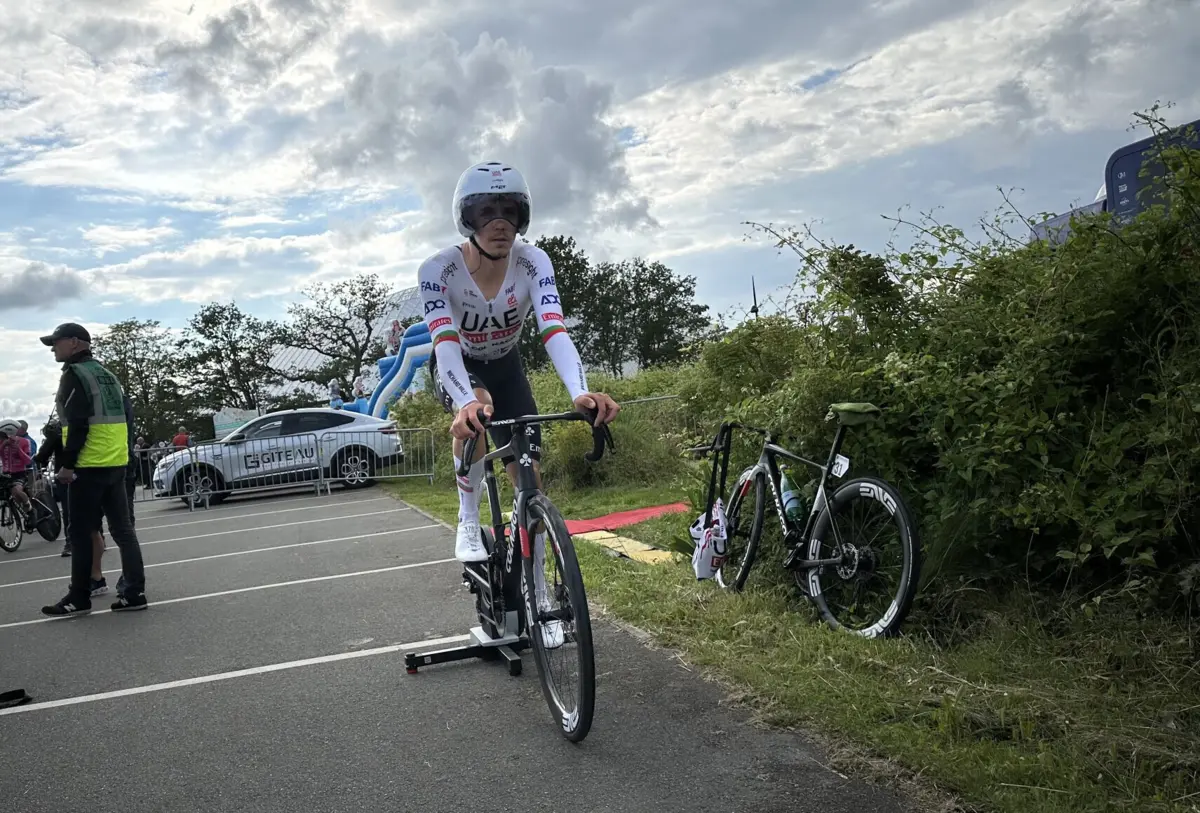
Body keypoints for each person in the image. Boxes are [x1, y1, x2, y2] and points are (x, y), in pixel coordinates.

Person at [417, 160, 620, 567]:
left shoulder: (534, 262)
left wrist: (580, 392)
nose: (499, 223)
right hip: (460, 366)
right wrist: (464, 403)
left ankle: (538, 580)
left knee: (530, 479)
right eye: (485, 212)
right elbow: (445, 343)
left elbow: (555, 330)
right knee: (477, 406)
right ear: (466, 218)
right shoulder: (437, 270)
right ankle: (469, 518)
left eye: (509, 212)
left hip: (508, 366)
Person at [38, 322, 148, 617]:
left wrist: (67, 464)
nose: (53, 348)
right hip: (116, 462)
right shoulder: (107, 374)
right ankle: (134, 592)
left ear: (75, 343)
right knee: (124, 531)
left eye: (56, 342)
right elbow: (126, 418)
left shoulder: (75, 375)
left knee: (80, 532)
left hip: (89, 464)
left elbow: (77, 423)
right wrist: (127, 459)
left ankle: (79, 596)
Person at [0, 419, 35, 531]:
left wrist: (18, 448)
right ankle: (19, 514)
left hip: (19, 473)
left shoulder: (25, 441)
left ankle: (30, 510)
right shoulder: (1, 441)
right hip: (6, 473)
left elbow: (28, 460)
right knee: (12, 496)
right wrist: (4, 445)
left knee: (17, 491)